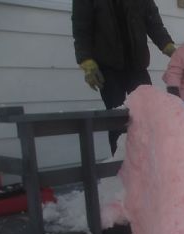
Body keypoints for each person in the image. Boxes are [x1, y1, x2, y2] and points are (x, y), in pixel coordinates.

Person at [71, 0, 176, 155]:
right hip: (108, 67)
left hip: (137, 66)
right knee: (116, 120)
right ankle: (118, 163)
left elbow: (154, 23)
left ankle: (150, 159)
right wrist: (86, 61)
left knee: (148, 113)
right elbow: (81, 27)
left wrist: (171, 50)